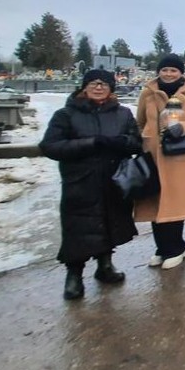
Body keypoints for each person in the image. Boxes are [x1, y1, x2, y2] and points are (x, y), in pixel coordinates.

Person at [40, 69, 142, 300]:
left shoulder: (123, 114)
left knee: (109, 222)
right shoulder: (65, 114)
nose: (99, 88)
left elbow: (136, 143)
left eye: (104, 84)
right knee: (78, 229)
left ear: (111, 89)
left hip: (113, 179)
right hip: (81, 181)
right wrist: (90, 143)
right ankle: (74, 275)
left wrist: (121, 142)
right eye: (94, 84)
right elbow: (51, 147)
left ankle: (105, 265)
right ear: (84, 87)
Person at [135, 54, 185, 269]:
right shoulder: (148, 93)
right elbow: (140, 121)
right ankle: (161, 248)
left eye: (173, 70)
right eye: (165, 70)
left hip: (179, 153)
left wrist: (183, 128)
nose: (168, 74)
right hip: (153, 154)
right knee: (155, 201)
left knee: (175, 201)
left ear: (180, 72)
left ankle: (177, 247)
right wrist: (146, 139)